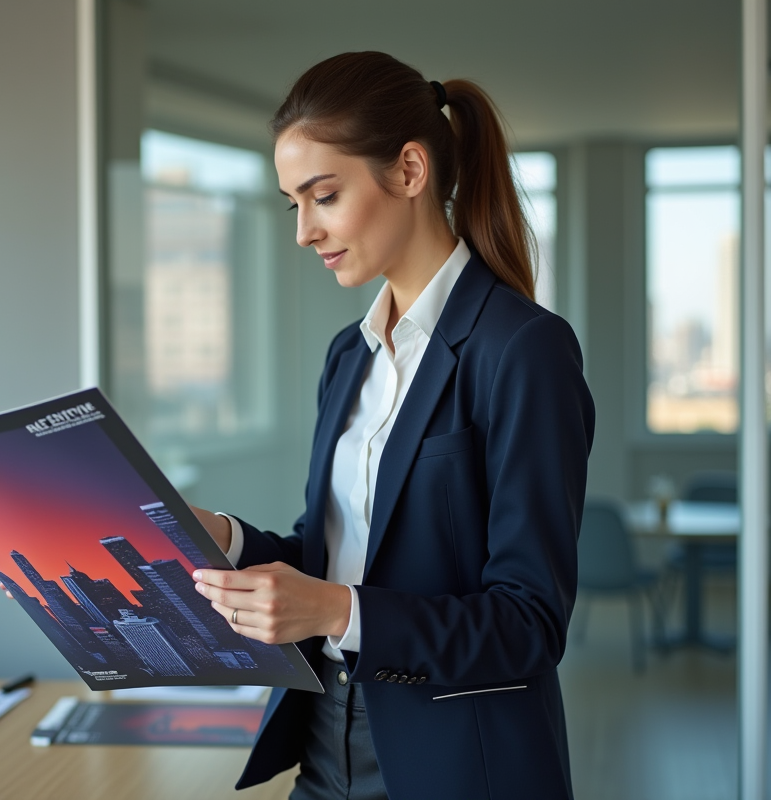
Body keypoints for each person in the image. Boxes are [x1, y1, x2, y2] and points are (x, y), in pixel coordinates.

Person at [188, 52, 595, 800]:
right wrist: (226, 539)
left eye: (325, 195)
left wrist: (337, 611)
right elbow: (332, 554)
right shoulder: (350, 355)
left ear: (410, 171)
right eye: (293, 204)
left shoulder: (523, 351)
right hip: (324, 745)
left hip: (457, 766)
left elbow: (529, 624)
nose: (305, 231)